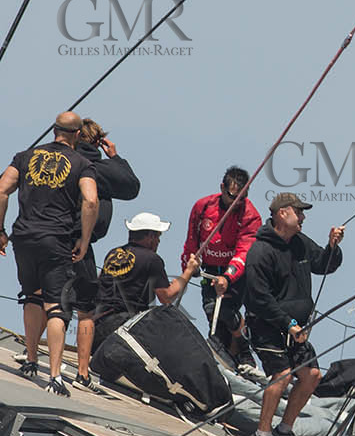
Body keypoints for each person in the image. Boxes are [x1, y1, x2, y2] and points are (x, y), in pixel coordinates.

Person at [0, 111, 98, 397]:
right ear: (77, 135)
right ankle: (54, 376)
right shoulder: (82, 164)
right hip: (56, 240)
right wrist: (84, 240)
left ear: (54, 131)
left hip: (23, 237)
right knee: (57, 307)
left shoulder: (25, 156)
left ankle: (30, 359)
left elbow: (1, 190)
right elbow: (90, 200)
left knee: (31, 295)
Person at [242, 193, 344, 436]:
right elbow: (258, 298)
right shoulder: (260, 251)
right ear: (282, 213)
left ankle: (283, 431)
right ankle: (261, 435)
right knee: (283, 375)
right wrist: (288, 323)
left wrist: (333, 246)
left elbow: (323, 264)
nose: (303, 217)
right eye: (298, 212)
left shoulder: (299, 242)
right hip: (266, 325)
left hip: (295, 329)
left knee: (311, 375)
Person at [70, 118, 141, 392]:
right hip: (82, 245)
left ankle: (30, 356)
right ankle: (82, 371)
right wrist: (116, 157)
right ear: (97, 142)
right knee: (85, 310)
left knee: (44, 299)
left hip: (51, 238)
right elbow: (132, 187)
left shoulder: (67, 161)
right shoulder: (99, 169)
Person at [183, 166, 262, 369]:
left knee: (227, 311)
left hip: (235, 273)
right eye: (232, 196)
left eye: (242, 197)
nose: (236, 202)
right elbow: (192, 239)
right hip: (209, 268)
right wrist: (187, 265)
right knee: (213, 315)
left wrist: (228, 277)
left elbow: (245, 250)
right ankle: (225, 358)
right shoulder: (203, 206)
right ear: (222, 188)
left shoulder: (250, 215)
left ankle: (244, 352)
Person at [90, 212, 198, 350]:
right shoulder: (152, 259)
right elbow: (166, 296)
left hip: (95, 327)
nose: (159, 241)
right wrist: (188, 272)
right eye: (158, 236)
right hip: (123, 330)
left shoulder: (113, 253)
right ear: (150, 236)